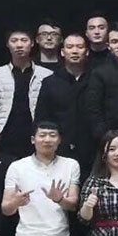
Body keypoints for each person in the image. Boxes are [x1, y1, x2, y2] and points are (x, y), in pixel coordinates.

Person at [1, 120, 81, 236]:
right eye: (42, 135)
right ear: (33, 139)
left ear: (59, 140)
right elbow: (5, 209)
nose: (47, 139)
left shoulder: (71, 165)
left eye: (52, 135)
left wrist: (59, 199)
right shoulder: (17, 167)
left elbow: (73, 204)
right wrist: (16, 202)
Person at [0, 26, 52, 160]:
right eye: (14, 41)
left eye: (24, 40)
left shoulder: (46, 75)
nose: (19, 45)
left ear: (32, 43)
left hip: (35, 136)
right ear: (7, 44)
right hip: (4, 136)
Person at [34, 31, 93, 177]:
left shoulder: (96, 80)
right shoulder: (50, 82)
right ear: (62, 52)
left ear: (86, 52)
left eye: (79, 47)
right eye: (70, 47)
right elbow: (42, 118)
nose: (74, 51)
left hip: (92, 149)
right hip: (59, 149)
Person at [84, 22, 118, 151]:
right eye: (114, 42)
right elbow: (94, 111)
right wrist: (105, 138)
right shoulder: (100, 73)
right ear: (108, 46)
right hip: (110, 140)